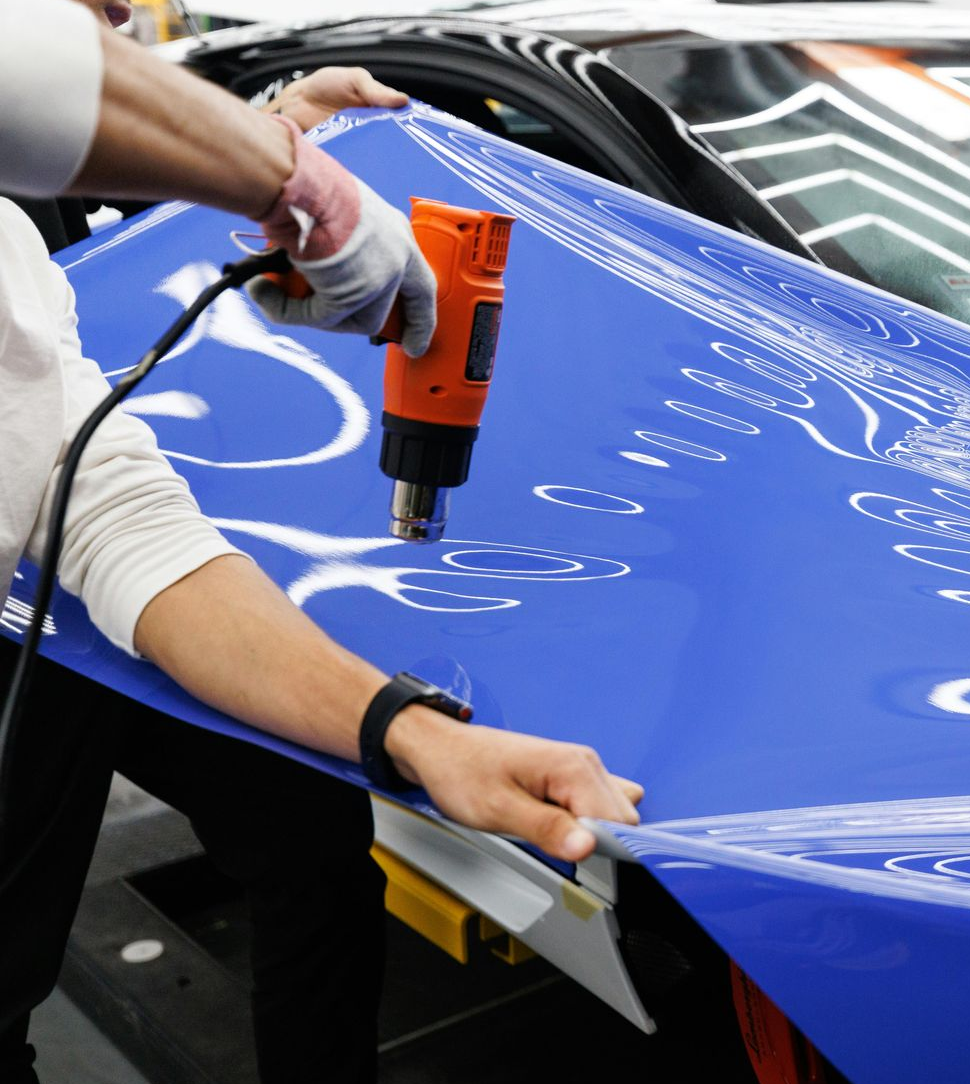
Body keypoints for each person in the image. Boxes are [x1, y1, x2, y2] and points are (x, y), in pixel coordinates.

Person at [0, 2, 645, 1081]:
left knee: (296, 854)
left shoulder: (9, 258)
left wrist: (416, 734)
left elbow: (108, 512)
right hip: (26, 643)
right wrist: (295, 180)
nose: (123, 12)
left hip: (92, 605)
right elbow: (32, 74)